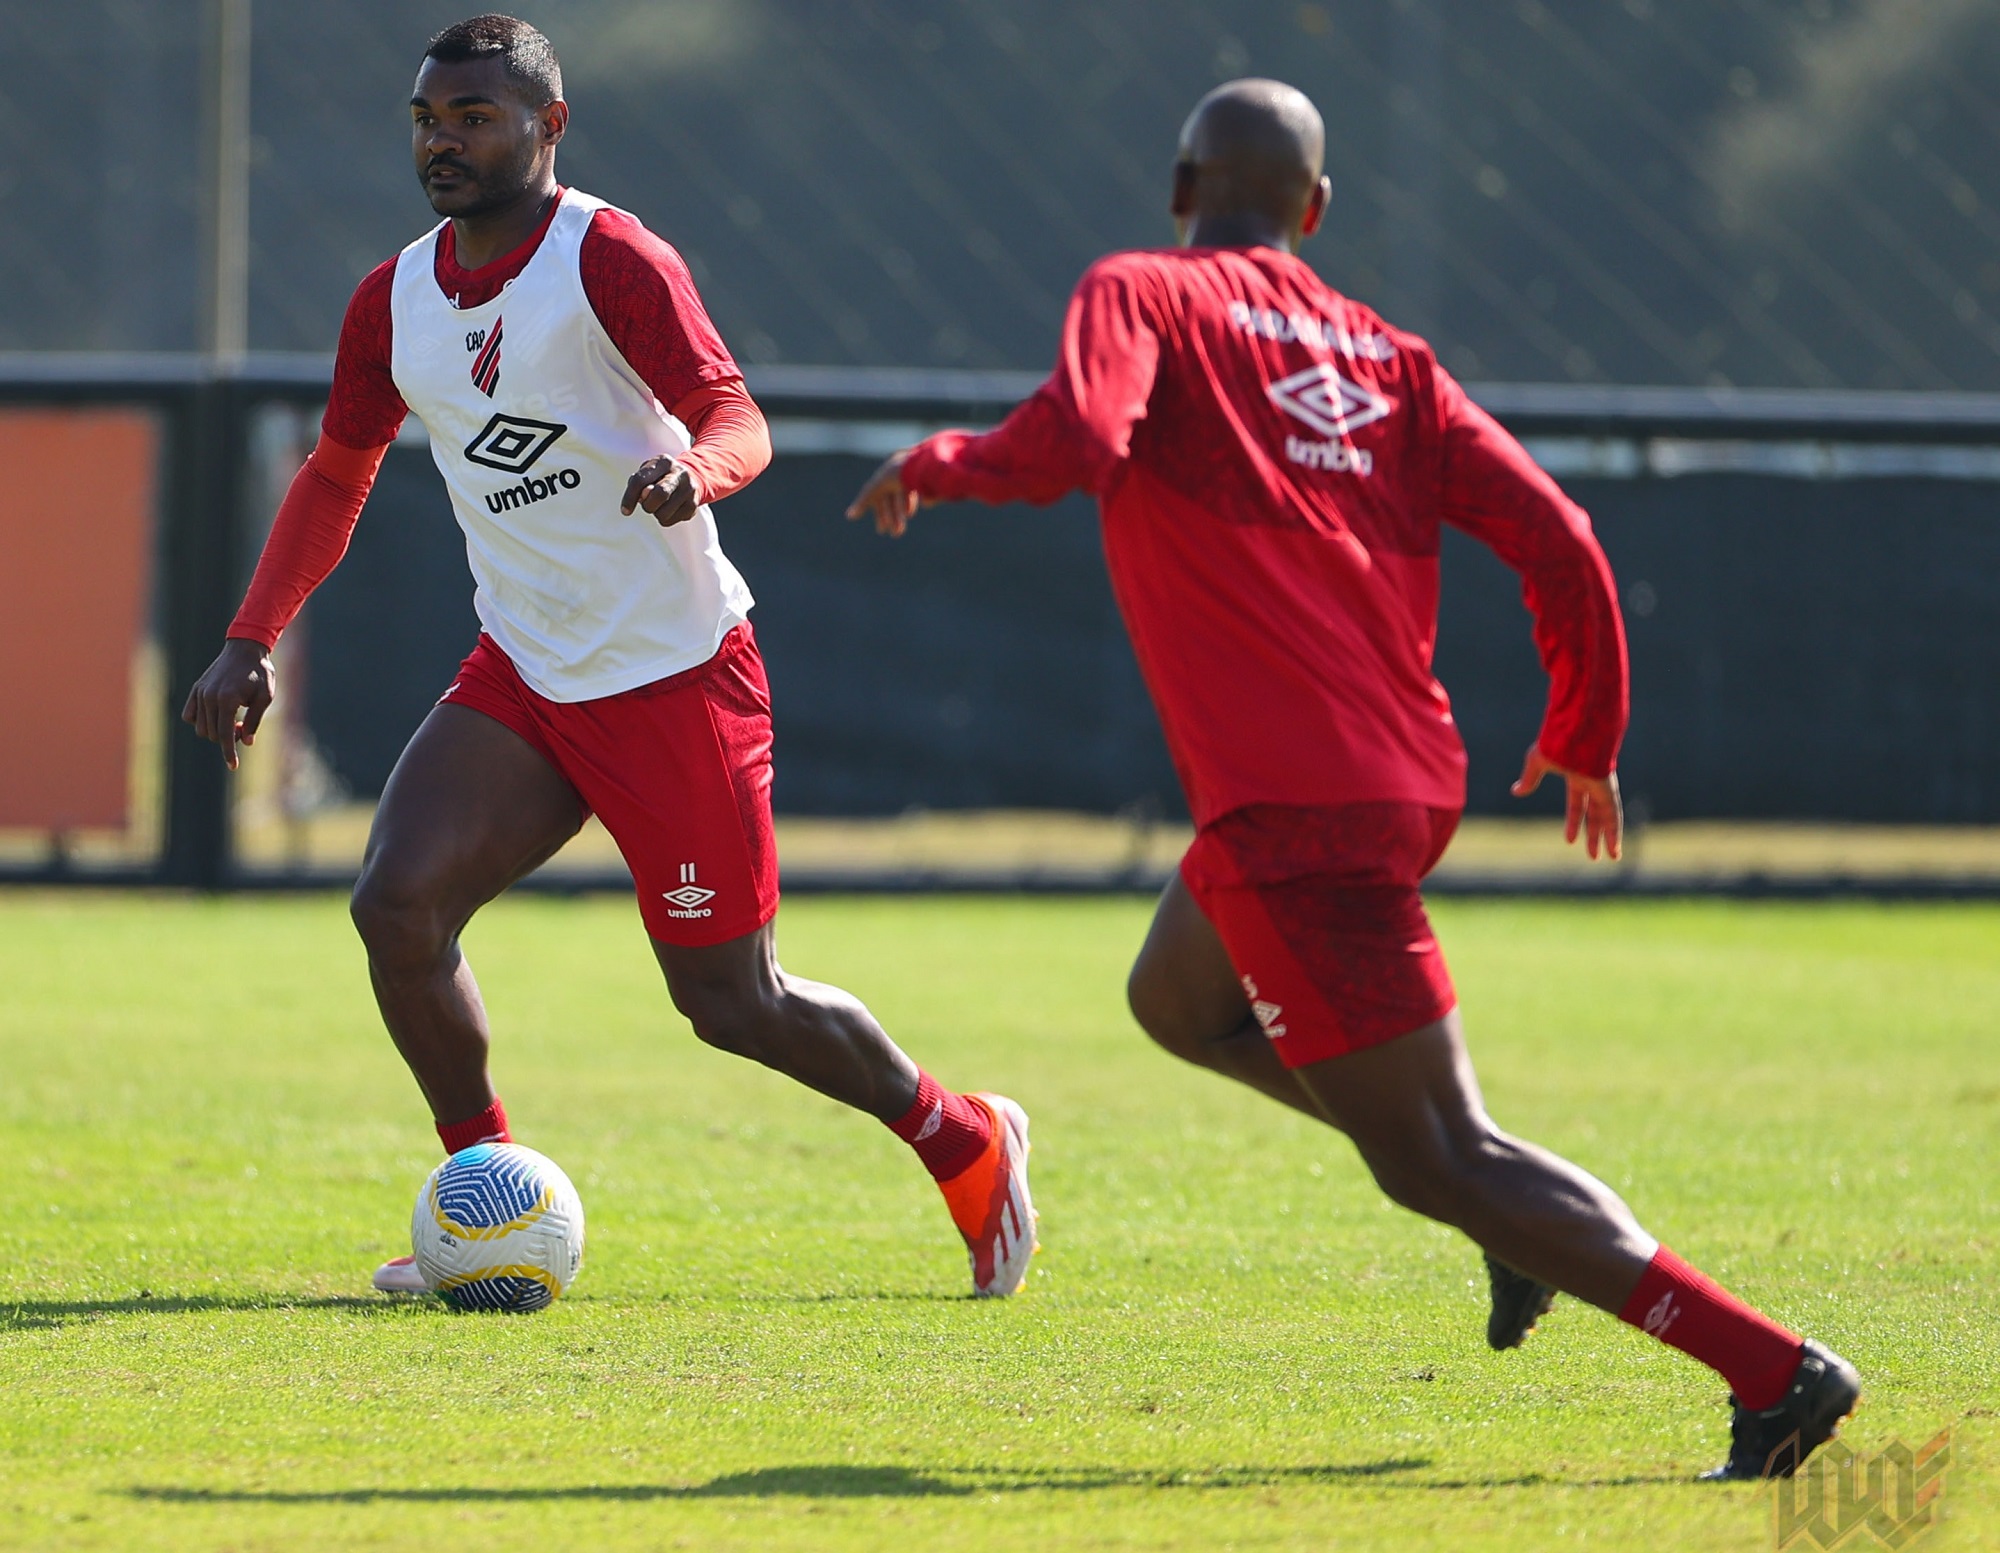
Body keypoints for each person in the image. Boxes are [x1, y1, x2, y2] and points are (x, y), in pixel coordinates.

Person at [847, 78, 1857, 1479]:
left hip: (1293, 811)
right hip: (1390, 780)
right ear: (1316, 212)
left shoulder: (1144, 291)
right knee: (1177, 1002)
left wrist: (940, 463)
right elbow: (1562, 534)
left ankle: (1775, 1369)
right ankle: (1513, 1224)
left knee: (1439, 1154)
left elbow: (1080, 441)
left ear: (1183, 189)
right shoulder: (1393, 357)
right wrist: (1586, 731)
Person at [182, 14, 1035, 1301]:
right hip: (524, 671)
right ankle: (483, 1195)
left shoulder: (607, 254)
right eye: (427, 118)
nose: (444, 141)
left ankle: (963, 1136)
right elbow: (336, 473)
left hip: (676, 673)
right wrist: (250, 640)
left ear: (548, 126)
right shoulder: (394, 297)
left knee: (731, 1003)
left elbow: (732, 411)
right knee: (396, 906)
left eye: (475, 117)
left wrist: (696, 470)